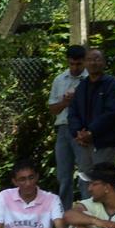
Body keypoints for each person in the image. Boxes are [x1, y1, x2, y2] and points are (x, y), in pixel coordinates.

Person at [66, 48, 115, 201]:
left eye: (97, 59)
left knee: (104, 179)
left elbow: (112, 113)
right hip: (83, 142)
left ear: (104, 63)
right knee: (85, 178)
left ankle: (107, 212)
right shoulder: (82, 87)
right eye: (90, 60)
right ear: (85, 63)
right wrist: (78, 133)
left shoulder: (111, 85)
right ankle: (89, 210)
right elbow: (73, 112)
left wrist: (92, 132)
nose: (93, 63)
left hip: (104, 141)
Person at [47, 45, 87, 212]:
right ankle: (63, 213)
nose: (75, 68)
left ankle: (88, 209)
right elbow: (53, 109)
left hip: (82, 129)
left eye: (78, 64)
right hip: (63, 129)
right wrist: (65, 102)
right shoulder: (59, 79)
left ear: (84, 62)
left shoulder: (89, 79)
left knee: (85, 173)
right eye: (71, 64)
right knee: (64, 174)